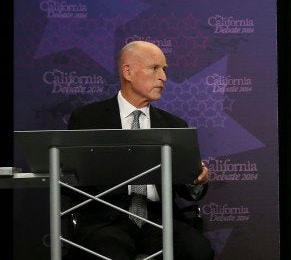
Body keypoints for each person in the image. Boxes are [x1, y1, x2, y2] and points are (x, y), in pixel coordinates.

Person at [64, 41, 215, 260]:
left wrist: (196, 181)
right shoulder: (88, 119)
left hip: (160, 219)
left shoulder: (174, 125)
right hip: (107, 220)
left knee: (197, 251)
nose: (163, 77)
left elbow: (187, 189)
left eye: (164, 69)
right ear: (128, 72)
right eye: (155, 68)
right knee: (109, 252)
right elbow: (70, 181)